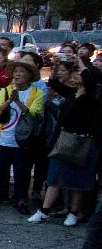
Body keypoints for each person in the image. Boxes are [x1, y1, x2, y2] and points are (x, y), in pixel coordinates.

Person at [27, 57, 97, 226]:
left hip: (82, 141)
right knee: (55, 175)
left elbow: (89, 78)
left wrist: (81, 61)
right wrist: (56, 65)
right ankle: (44, 211)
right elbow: (54, 83)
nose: (76, 76)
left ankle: (73, 213)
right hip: (64, 139)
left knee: (78, 180)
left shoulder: (92, 96)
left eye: (79, 73)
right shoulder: (72, 94)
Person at [0, 55, 44, 213]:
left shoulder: (37, 93)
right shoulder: (6, 90)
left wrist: (18, 101)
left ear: (29, 75)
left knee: (22, 172)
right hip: (2, 137)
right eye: (16, 71)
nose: (17, 75)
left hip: (23, 140)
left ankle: (21, 200)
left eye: (21, 72)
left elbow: (34, 113)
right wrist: (9, 101)